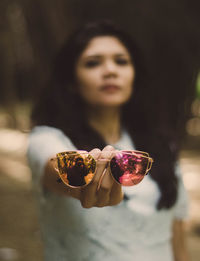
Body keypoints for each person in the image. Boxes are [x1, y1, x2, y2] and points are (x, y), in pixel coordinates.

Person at [27, 20, 189, 261]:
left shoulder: (161, 146)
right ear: (71, 81)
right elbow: (57, 166)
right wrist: (82, 176)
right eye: (93, 63)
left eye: (121, 61)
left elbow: (177, 240)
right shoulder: (47, 139)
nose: (111, 70)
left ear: (134, 74)